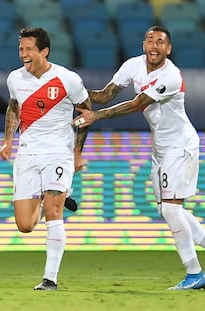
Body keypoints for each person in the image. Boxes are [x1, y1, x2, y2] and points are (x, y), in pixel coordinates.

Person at [72, 25, 205, 290]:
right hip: (161, 148)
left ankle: (195, 273)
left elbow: (137, 104)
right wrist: (74, 92)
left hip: (180, 146)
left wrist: (95, 116)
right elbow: (107, 94)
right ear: (143, 44)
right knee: (167, 209)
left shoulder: (171, 76)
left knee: (170, 208)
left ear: (169, 49)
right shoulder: (133, 65)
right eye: (149, 40)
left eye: (160, 42)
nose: (154, 46)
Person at [0, 27, 91, 290]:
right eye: (20, 49)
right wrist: (8, 140)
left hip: (58, 152)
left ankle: (50, 278)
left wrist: (76, 152)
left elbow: (86, 111)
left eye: (29, 49)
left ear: (44, 51)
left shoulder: (67, 79)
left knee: (53, 211)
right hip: (27, 152)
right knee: (25, 225)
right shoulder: (14, 78)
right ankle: (61, 191)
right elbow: (14, 107)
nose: (23, 55)